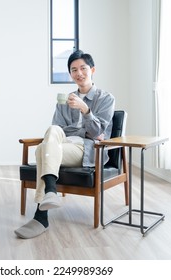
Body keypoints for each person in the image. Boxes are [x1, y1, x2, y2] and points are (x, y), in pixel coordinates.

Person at [14, 50, 115, 239]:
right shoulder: (65, 99)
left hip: (87, 149)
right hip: (63, 144)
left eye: (83, 68)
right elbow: (58, 128)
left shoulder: (106, 99)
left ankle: (41, 216)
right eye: (74, 70)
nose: (79, 73)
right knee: (51, 133)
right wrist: (84, 131)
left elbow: (95, 134)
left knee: (44, 149)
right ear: (70, 74)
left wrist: (85, 110)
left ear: (92, 70)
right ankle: (50, 194)